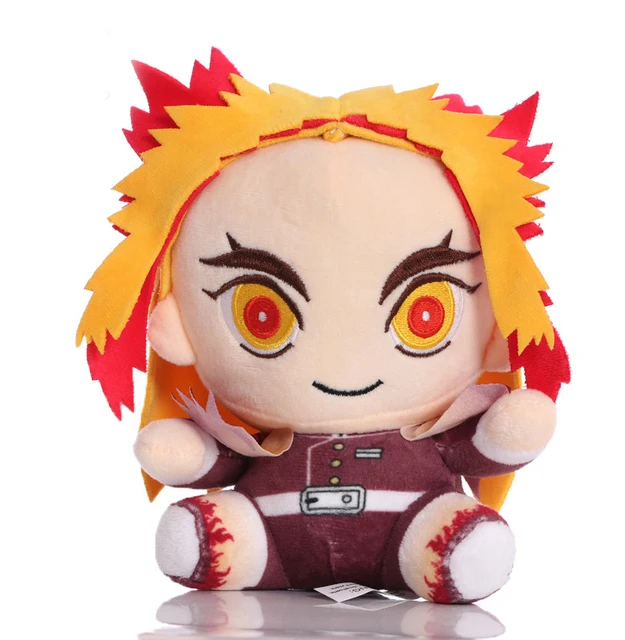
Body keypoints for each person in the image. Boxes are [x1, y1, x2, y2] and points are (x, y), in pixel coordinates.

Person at [77, 48, 570, 603]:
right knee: (215, 534)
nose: (343, 365)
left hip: (415, 522)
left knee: (444, 532)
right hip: (269, 534)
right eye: (262, 316)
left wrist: (509, 430)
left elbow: (481, 448)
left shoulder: (429, 441)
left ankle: (444, 551)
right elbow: (217, 459)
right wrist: (185, 452)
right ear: (176, 325)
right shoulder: (258, 438)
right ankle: (228, 547)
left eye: (423, 315)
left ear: (497, 321)